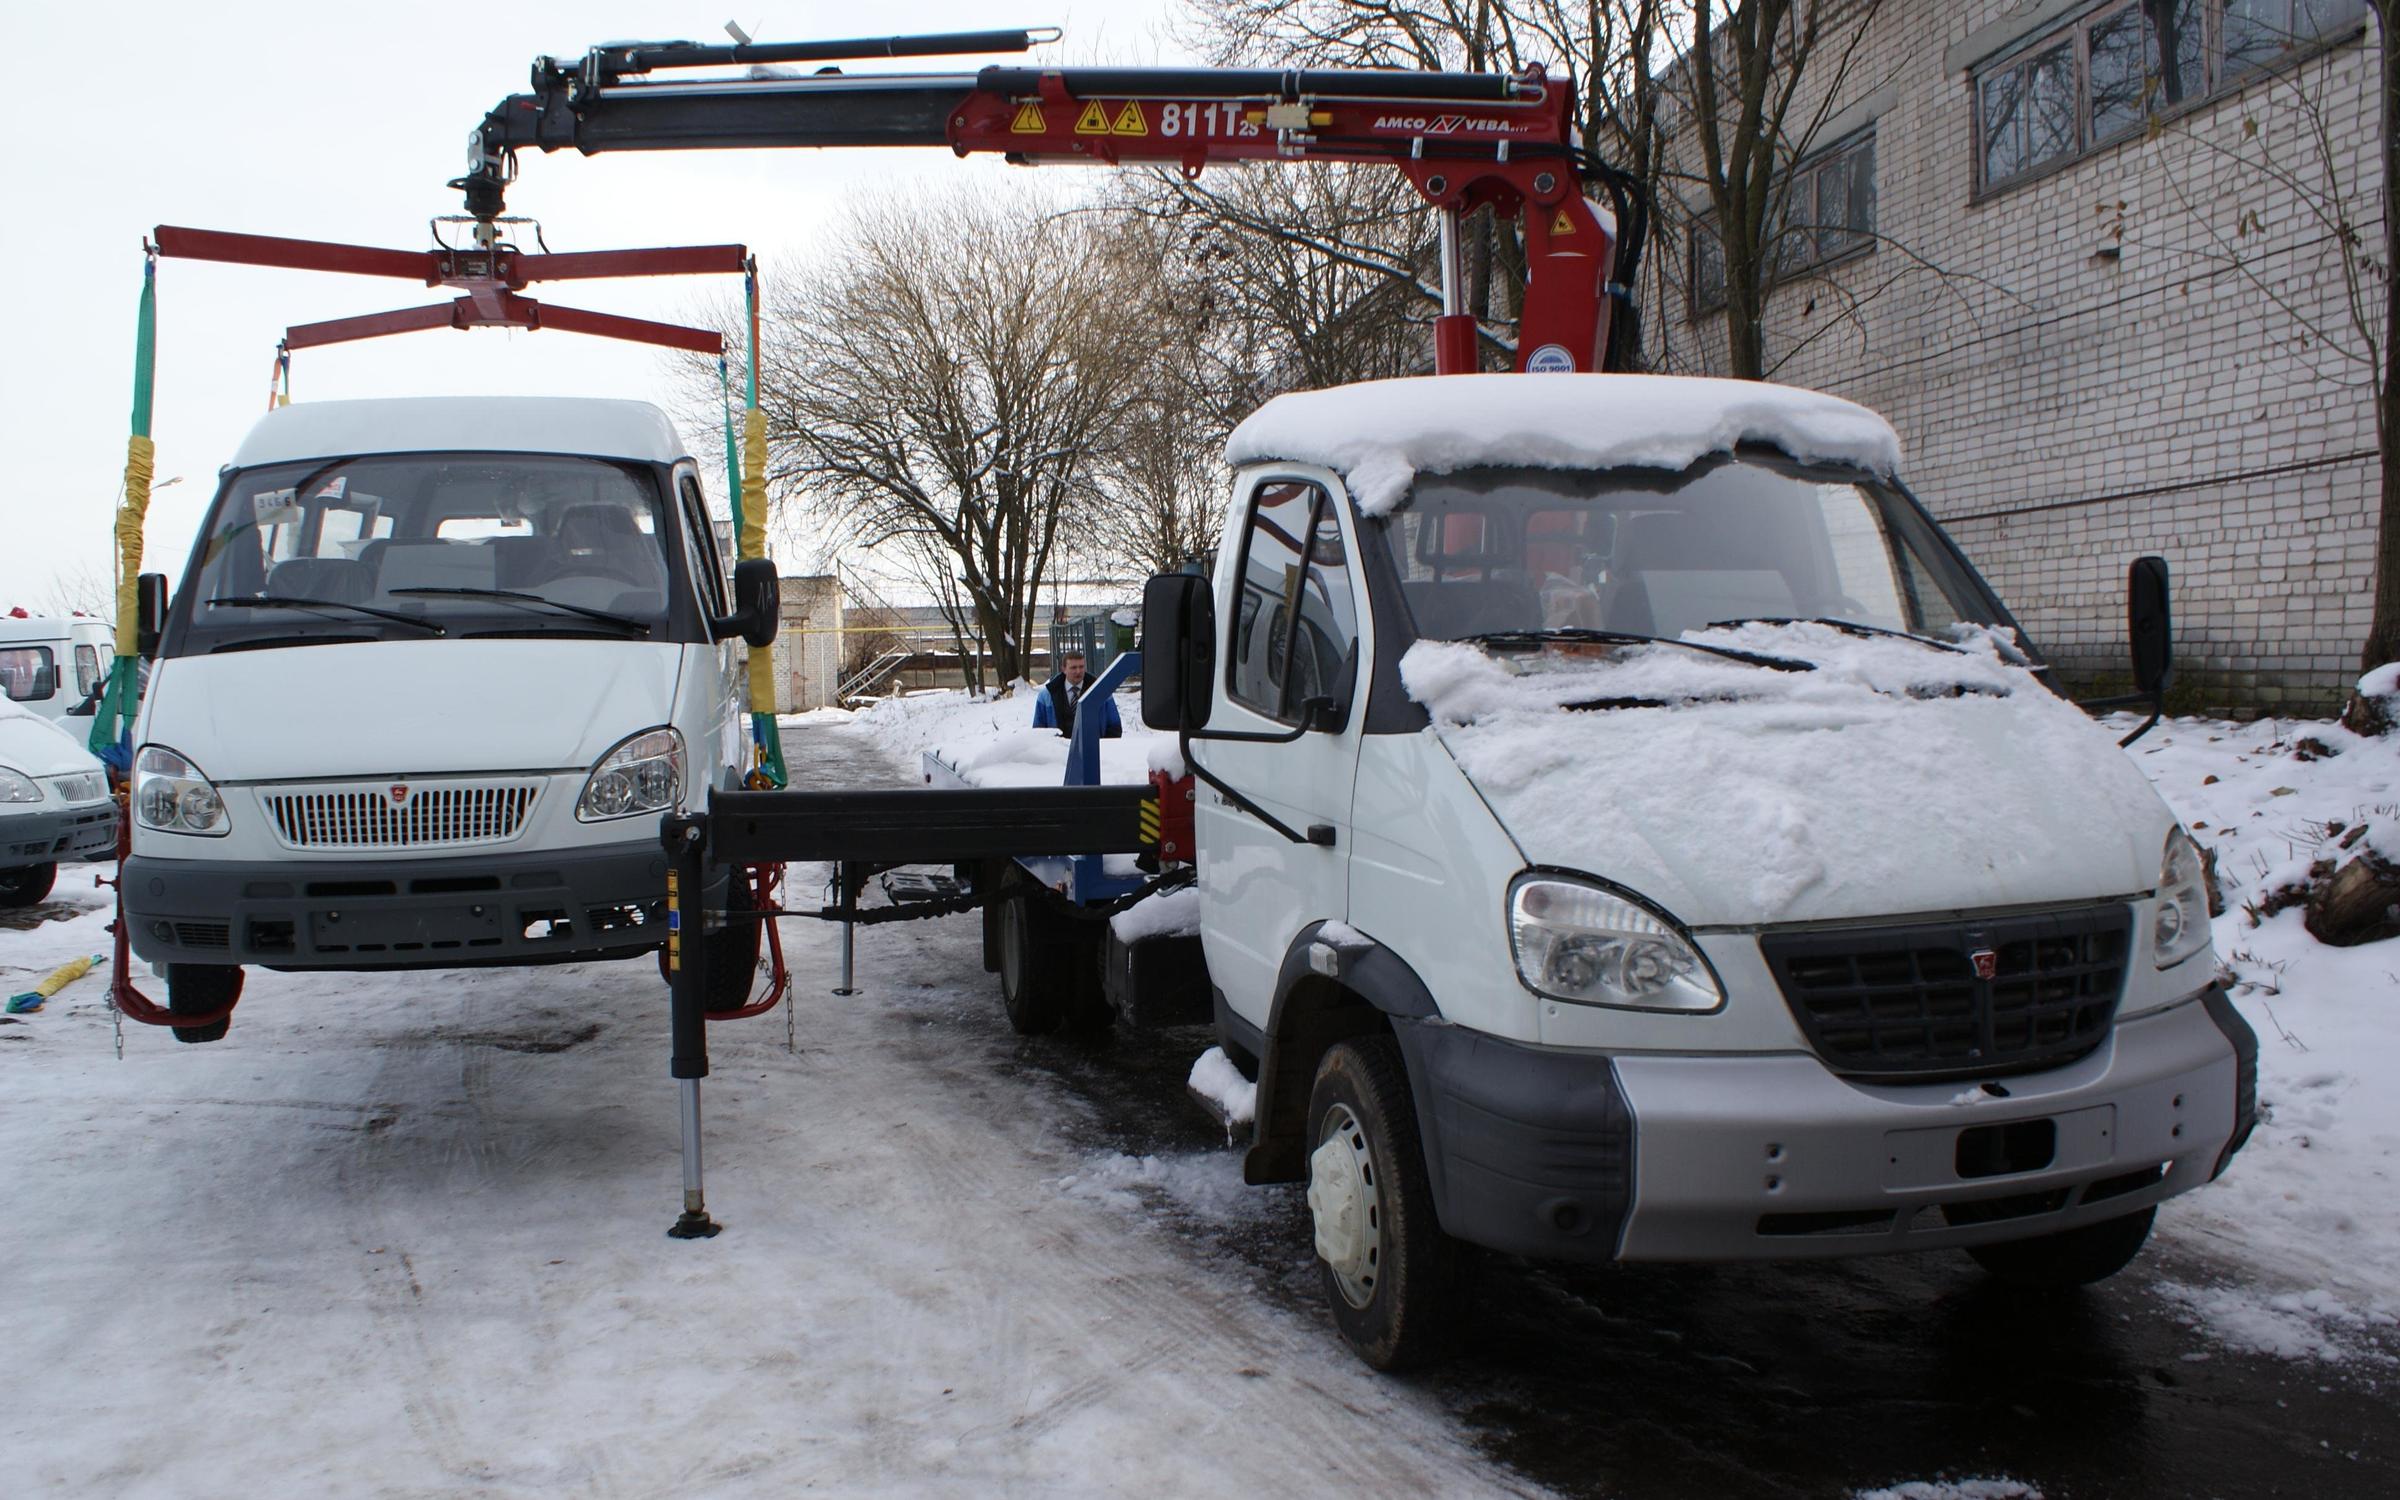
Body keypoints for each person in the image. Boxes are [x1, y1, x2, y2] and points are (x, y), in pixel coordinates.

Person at [1032, 648, 1121, 738]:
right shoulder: (1046, 696)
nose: (1078, 671)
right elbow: (1038, 731)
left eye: (1081, 667)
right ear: (1064, 669)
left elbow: (1114, 727)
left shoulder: (1102, 693)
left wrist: (1103, 748)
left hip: (1093, 750)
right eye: (1073, 668)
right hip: (1058, 749)